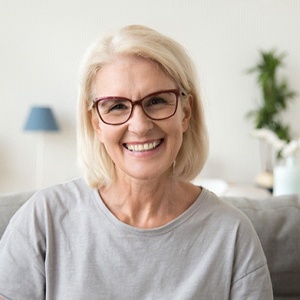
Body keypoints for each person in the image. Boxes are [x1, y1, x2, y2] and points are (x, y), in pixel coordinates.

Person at [0, 25, 273, 299]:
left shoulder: (232, 235)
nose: (140, 126)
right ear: (96, 123)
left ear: (186, 113)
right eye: (116, 106)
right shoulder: (43, 219)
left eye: (156, 101)